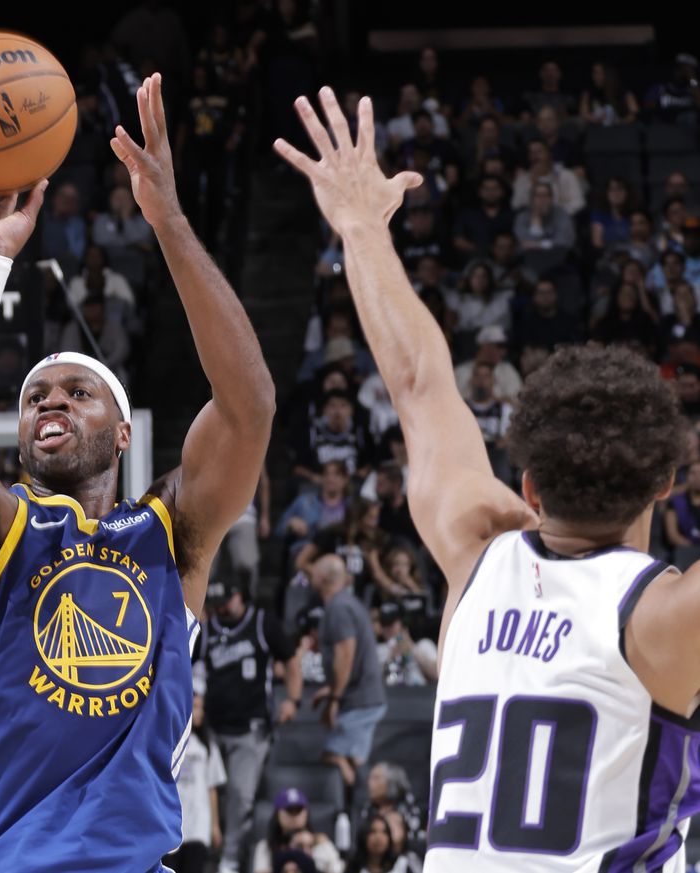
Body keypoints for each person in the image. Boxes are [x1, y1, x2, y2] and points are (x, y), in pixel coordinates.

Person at [277, 87, 700, 870]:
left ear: (529, 485)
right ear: (667, 483)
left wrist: (362, 228)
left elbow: (415, 381)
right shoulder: (666, 616)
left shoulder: (476, 551)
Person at [0, 72, 273, 871]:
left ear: (124, 430)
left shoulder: (171, 534)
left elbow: (249, 408)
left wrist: (169, 221)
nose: (51, 401)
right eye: (35, 394)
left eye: (78, 390)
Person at [201, 576, 301, 872]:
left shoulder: (260, 623)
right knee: (207, 793)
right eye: (216, 602)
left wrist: (293, 699)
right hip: (213, 730)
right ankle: (204, 854)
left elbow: (291, 659)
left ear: (241, 596)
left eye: (226, 600)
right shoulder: (209, 630)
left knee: (240, 797)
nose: (221, 607)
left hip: (250, 730)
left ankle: (231, 860)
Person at [309, 554, 386, 791]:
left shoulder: (338, 608)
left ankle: (364, 808)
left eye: (313, 571)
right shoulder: (346, 603)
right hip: (362, 696)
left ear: (322, 577)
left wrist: (335, 698)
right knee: (348, 758)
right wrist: (331, 690)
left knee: (338, 756)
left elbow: (346, 654)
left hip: (359, 701)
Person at [163, 683, 225, 873]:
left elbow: (211, 786)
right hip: (172, 823)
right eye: (194, 706)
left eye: (201, 707)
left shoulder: (207, 746)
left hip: (198, 824)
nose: (199, 712)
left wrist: (215, 825)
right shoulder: (167, 741)